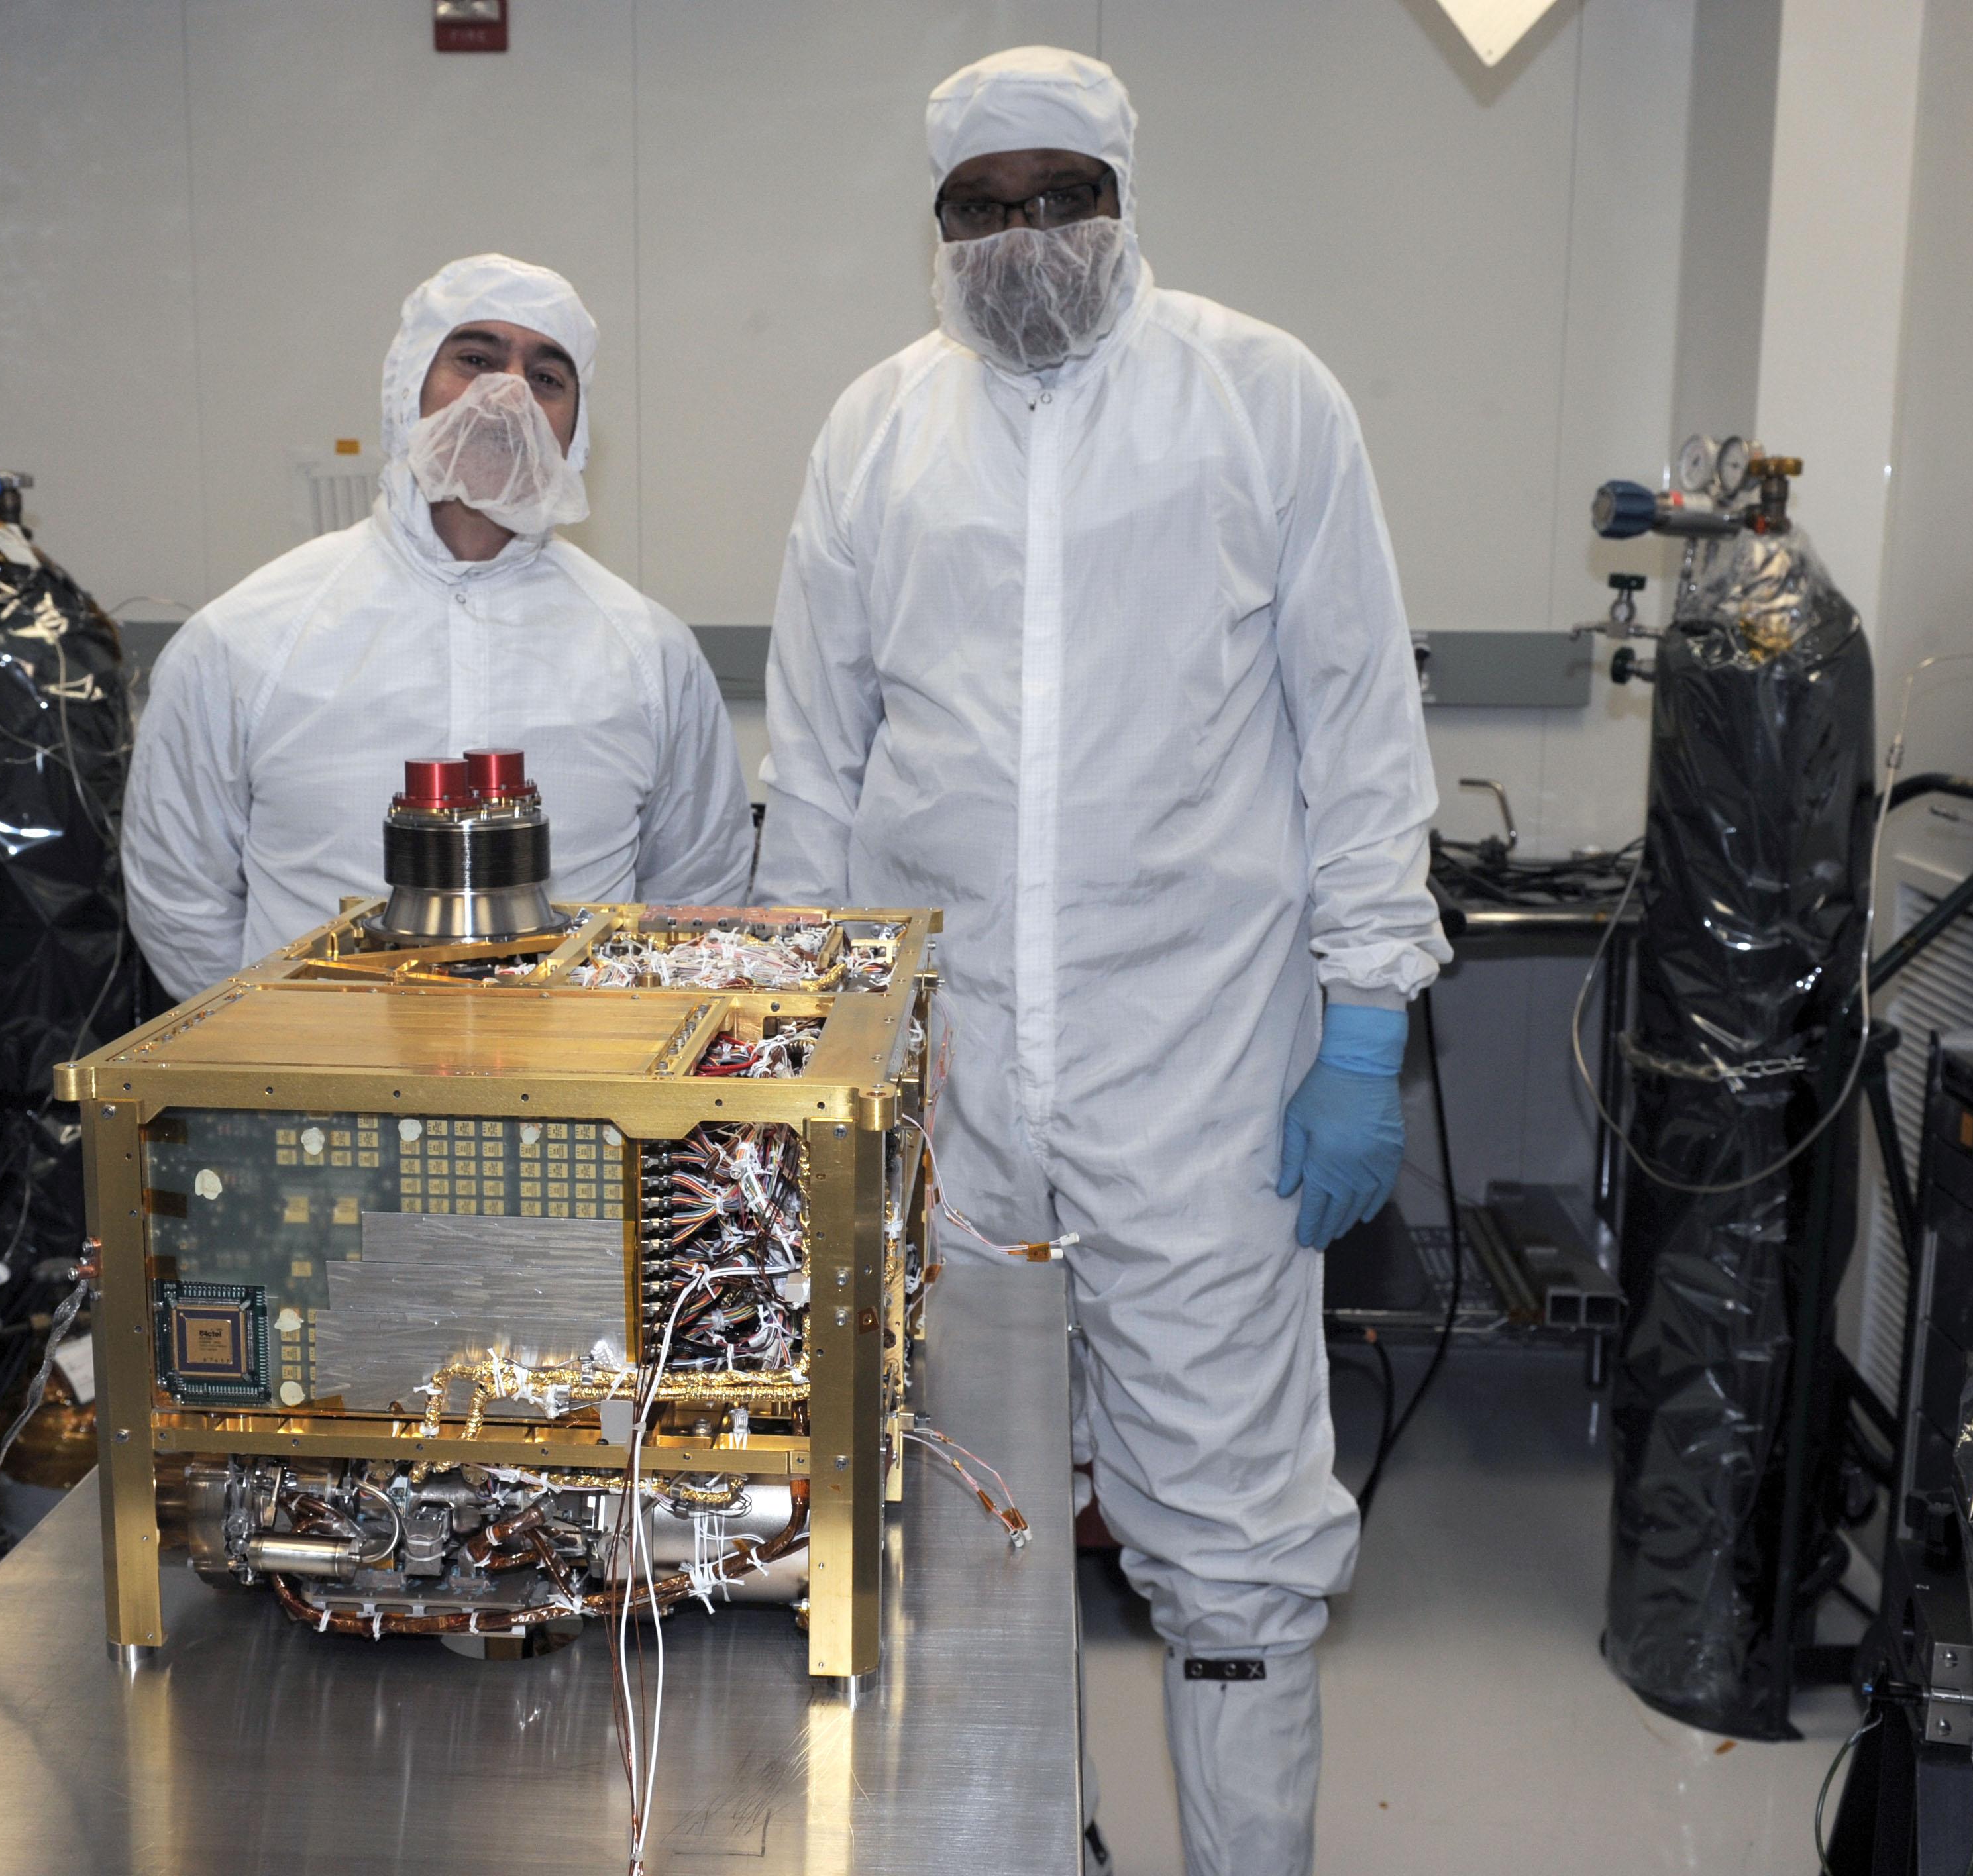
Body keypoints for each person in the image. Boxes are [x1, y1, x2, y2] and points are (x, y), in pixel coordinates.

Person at [755, 47, 1445, 1876]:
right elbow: (816, 768)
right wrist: (807, 1061)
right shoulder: (876, 433)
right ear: (936, 228)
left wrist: (1363, 1025)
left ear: (1126, 199)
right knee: (960, 1522)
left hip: (1203, 1076)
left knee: (1233, 1545)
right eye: (982, 207)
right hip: (945, 1087)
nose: (1026, 236)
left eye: (1063, 195)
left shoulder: (1263, 399)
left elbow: (1360, 732)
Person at [125, 254, 751, 996]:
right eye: (476, 360)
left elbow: (698, 899)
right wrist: (270, 1050)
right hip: (309, 1064)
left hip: (580, 1067)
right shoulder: (244, 640)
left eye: (546, 377)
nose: (508, 396)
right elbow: (178, 895)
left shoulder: (649, 654)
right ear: (406, 388)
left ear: (576, 431)